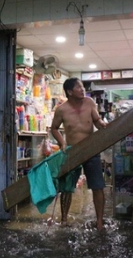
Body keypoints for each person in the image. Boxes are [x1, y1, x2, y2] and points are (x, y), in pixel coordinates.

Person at [50, 77, 108, 230]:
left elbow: (96, 119)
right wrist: (62, 142)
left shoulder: (89, 103)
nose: (83, 90)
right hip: (72, 152)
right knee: (67, 188)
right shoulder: (61, 109)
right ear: (70, 92)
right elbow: (54, 128)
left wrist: (101, 124)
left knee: (98, 186)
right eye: (79, 87)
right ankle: (64, 220)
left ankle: (100, 222)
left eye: (83, 87)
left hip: (91, 149)